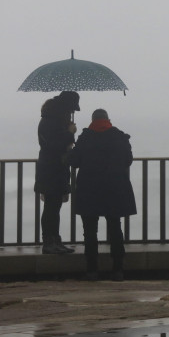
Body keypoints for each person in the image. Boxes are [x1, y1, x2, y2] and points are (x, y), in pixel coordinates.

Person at [66, 108, 136, 281]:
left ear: (92, 120)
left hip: (89, 189)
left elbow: (74, 162)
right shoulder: (120, 137)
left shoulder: (85, 138)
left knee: (90, 231)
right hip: (114, 188)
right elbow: (128, 160)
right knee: (115, 228)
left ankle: (92, 270)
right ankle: (118, 269)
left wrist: (70, 143)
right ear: (108, 119)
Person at [35, 90, 79, 255]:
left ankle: (55, 240)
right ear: (64, 107)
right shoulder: (49, 122)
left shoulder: (53, 120)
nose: (72, 112)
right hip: (51, 169)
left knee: (55, 207)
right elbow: (53, 145)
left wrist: (68, 132)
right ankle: (49, 242)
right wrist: (70, 133)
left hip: (55, 169)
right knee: (51, 208)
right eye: (71, 109)